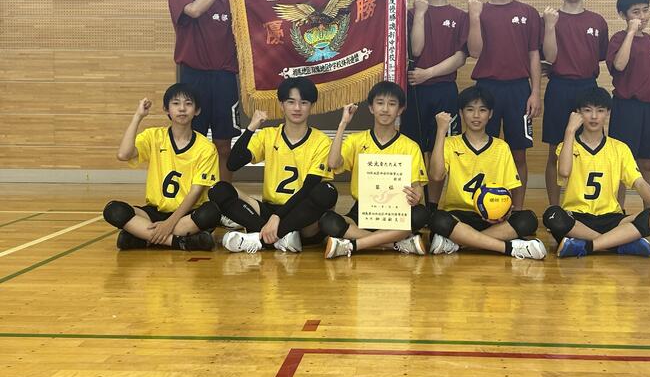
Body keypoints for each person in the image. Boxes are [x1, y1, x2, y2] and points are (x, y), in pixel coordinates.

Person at [208, 77, 338, 254]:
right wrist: (251, 128)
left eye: (304, 102)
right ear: (281, 105)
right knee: (219, 189)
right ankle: (280, 238)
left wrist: (278, 217)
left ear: (312, 106)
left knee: (327, 191)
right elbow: (232, 163)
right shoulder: (268, 135)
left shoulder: (321, 141)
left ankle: (259, 238)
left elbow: (309, 188)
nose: (297, 108)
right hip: (269, 211)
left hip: (301, 215)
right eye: (291, 102)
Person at [542, 86, 650, 258]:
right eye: (587, 110)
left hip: (611, 218)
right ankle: (617, 244)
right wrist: (569, 131)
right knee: (552, 215)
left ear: (608, 112)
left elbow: (639, 182)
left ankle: (586, 245)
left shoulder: (620, 148)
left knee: (649, 217)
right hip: (577, 219)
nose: (594, 116)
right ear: (578, 113)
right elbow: (564, 172)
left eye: (600, 110)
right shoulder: (567, 146)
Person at [427, 86, 546, 259]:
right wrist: (441, 131)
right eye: (470, 110)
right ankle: (508, 248)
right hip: (458, 216)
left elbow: (508, 191)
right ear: (461, 113)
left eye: (482, 110)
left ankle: (459, 242)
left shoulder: (501, 147)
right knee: (437, 219)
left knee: (528, 219)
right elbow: (436, 175)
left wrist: (503, 212)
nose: (476, 115)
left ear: (490, 114)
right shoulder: (450, 143)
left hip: (492, 218)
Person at [103, 83, 220, 251]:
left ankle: (143, 237)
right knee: (113, 210)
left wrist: (169, 224)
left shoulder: (206, 148)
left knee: (212, 212)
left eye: (188, 104)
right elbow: (123, 155)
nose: (182, 109)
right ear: (166, 109)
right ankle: (179, 242)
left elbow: (196, 192)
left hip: (187, 214)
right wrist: (138, 116)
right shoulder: (153, 136)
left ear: (197, 110)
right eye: (176, 103)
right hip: (154, 212)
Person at [320, 81, 429, 258]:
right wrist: (343, 123)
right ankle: (394, 244)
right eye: (380, 103)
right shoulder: (356, 140)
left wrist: (416, 197)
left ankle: (354, 245)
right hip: (363, 210)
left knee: (420, 214)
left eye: (392, 104)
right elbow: (333, 163)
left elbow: (418, 190)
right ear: (371, 108)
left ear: (400, 110)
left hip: (396, 212)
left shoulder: (410, 146)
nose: (385, 109)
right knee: (327, 221)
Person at [467, 0, 542, 209]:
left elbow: (534, 55)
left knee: (518, 153)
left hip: (519, 90)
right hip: (486, 90)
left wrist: (535, 92)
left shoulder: (528, 13)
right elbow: (474, 51)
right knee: (483, 151)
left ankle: (517, 210)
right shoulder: (479, 11)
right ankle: (483, 208)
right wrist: (475, 17)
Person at [401, 0, 468, 212]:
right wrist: (420, 14)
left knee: (442, 148)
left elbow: (460, 57)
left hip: (444, 90)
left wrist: (428, 73)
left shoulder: (459, 16)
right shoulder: (412, 13)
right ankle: (415, 204)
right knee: (415, 149)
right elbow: (415, 50)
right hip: (415, 92)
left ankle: (433, 206)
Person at [168, 0, 241, 182]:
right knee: (192, 141)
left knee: (224, 145)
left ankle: (224, 196)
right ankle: (191, 195)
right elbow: (195, 10)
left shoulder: (228, 3)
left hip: (224, 79)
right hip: (193, 79)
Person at [540, 0, 609, 207]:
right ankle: (554, 207)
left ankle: (584, 204)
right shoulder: (549, 18)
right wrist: (550, 25)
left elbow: (600, 55)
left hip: (588, 89)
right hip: (559, 88)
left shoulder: (597, 21)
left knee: (590, 148)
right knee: (555, 150)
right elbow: (548, 57)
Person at [606, 0, 650, 208]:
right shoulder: (618, 39)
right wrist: (630, 32)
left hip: (649, 109)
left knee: (647, 163)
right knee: (622, 164)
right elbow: (619, 65)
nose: (642, 16)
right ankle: (616, 211)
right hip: (626, 108)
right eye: (636, 12)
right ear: (623, 15)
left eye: (645, 10)